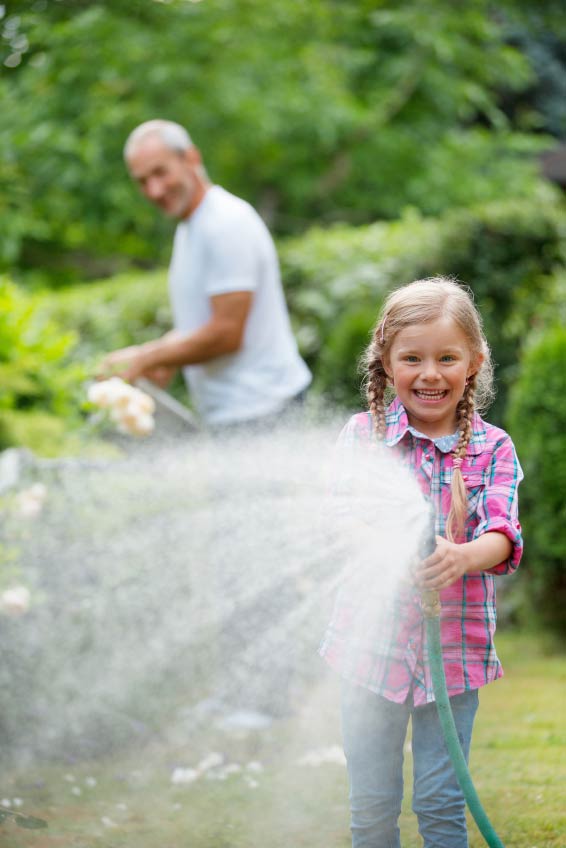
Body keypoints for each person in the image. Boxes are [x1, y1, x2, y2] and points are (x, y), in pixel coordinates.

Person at [319, 277, 523, 848]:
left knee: (439, 803)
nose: (429, 374)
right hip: (369, 654)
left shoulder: (492, 449)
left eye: (447, 358)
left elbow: (504, 535)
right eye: (412, 358)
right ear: (385, 363)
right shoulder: (363, 439)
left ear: (474, 363)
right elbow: (339, 519)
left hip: (453, 657)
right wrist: (380, 544)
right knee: (372, 806)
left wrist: (462, 556)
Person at [99, 119, 311, 428]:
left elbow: (226, 333)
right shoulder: (192, 227)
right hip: (236, 412)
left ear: (191, 158)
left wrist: (147, 358)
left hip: (264, 409)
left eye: (160, 172)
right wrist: (164, 354)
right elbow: (202, 321)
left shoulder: (224, 224)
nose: (154, 190)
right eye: (142, 181)